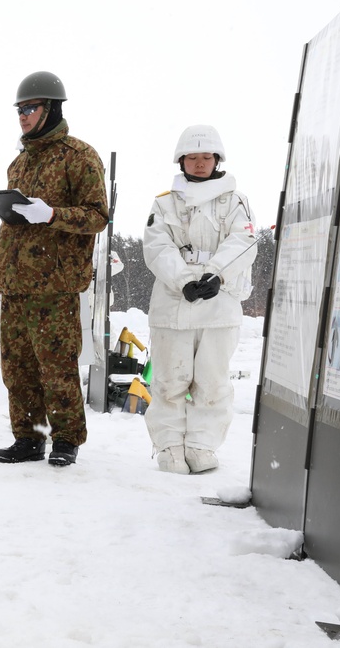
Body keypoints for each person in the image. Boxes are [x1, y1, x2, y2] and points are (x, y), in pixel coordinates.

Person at [0, 71, 109, 467]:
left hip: (54, 285)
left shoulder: (79, 156)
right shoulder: (19, 162)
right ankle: (29, 438)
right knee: (18, 370)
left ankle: (65, 440)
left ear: (51, 108)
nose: (23, 116)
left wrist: (52, 214)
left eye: (30, 108)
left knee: (57, 367)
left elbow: (97, 217)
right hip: (16, 284)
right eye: (20, 110)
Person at [142, 124, 257, 474]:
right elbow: (157, 246)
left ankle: (202, 445)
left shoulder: (236, 202)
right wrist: (183, 280)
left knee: (212, 381)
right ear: (181, 161)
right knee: (168, 380)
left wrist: (216, 274)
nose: (200, 163)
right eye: (192, 157)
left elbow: (244, 241)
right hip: (173, 306)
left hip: (220, 304)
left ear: (217, 159)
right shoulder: (164, 203)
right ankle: (170, 448)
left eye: (206, 156)